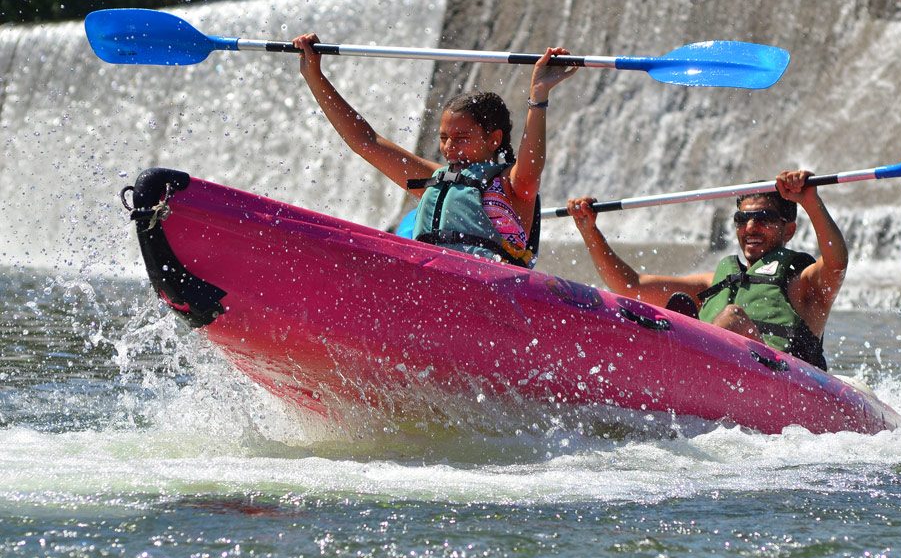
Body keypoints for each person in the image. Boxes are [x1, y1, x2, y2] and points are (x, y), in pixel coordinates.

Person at [292, 33, 577, 268]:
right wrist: (313, 75)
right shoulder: (435, 179)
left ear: (494, 139)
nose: (449, 147)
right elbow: (365, 141)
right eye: (444, 138)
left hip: (486, 291)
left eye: (461, 137)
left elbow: (533, 159)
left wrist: (538, 96)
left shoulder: (514, 186)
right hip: (427, 283)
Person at [565, 171, 848, 370]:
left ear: (789, 230)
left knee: (733, 317)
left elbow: (837, 263)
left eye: (763, 219)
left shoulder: (803, 282)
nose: (750, 228)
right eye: (742, 219)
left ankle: (677, 354)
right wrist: (589, 231)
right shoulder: (715, 282)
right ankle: (675, 345)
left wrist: (810, 200)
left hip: (789, 384)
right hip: (718, 372)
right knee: (650, 313)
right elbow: (631, 286)